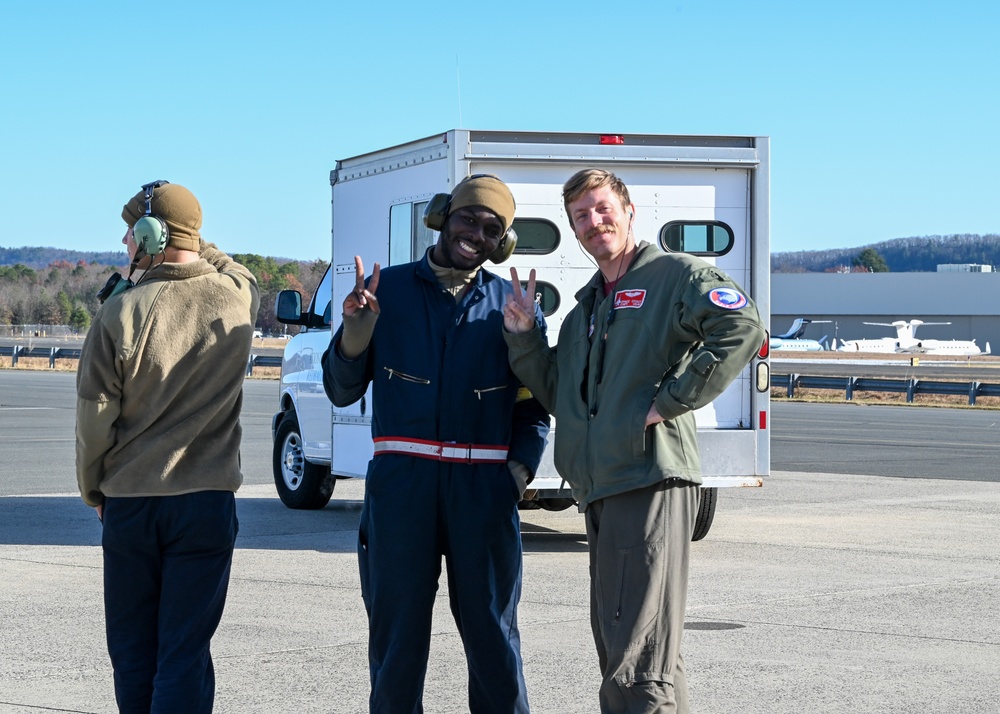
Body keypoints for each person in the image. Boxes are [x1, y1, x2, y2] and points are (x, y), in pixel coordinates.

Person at [502, 169, 765, 713]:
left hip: (648, 482)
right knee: (635, 655)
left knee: (638, 664)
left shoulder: (675, 275)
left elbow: (741, 327)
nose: (593, 222)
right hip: (602, 489)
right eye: (580, 216)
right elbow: (558, 394)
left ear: (628, 212)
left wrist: (669, 401)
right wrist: (526, 337)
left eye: (601, 209)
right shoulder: (585, 311)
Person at [321, 174, 549, 713]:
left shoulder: (511, 306)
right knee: (397, 644)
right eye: (469, 218)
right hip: (403, 492)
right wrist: (356, 332)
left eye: (493, 229)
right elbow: (340, 388)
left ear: (504, 243)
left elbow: (534, 404)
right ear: (443, 216)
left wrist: (516, 473)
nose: (477, 233)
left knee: (494, 641)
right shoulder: (385, 292)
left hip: (483, 495)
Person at [76, 180, 260, 712]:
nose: (126, 244)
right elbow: (235, 269)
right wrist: (193, 238)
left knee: (135, 654)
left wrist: (94, 491)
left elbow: (95, 421)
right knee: (184, 654)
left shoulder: (119, 313)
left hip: (131, 503)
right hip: (205, 503)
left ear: (151, 236)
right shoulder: (237, 299)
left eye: (132, 233)